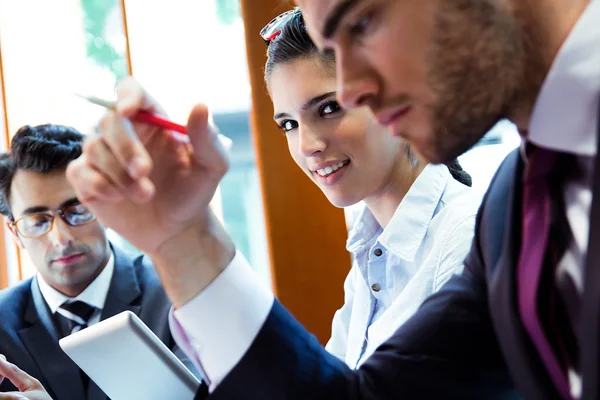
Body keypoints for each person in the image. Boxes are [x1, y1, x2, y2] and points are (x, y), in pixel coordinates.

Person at [63, 0, 599, 397]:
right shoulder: (511, 210)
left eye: (363, 22)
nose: (353, 86)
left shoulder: (474, 223)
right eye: (289, 122)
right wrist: (183, 239)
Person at [264, 10, 480, 367]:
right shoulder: (370, 258)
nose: (307, 145)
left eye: (329, 108)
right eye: (288, 124)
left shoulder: (464, 239)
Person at [0, 124, 196, 400]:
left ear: (105, 206)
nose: (61, 238)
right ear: (15, 233)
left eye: (77, 211)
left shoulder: (176, 294)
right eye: (38, 221)